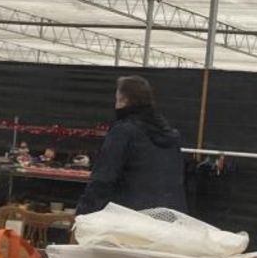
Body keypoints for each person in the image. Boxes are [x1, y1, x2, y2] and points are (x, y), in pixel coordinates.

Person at [76, 75, 186, 215]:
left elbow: (104, 178)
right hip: (168, 218)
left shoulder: (123, 131)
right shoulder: (171, 136)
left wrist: (83, 214)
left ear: (124, 100)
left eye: (116, 99)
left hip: (130, 219)